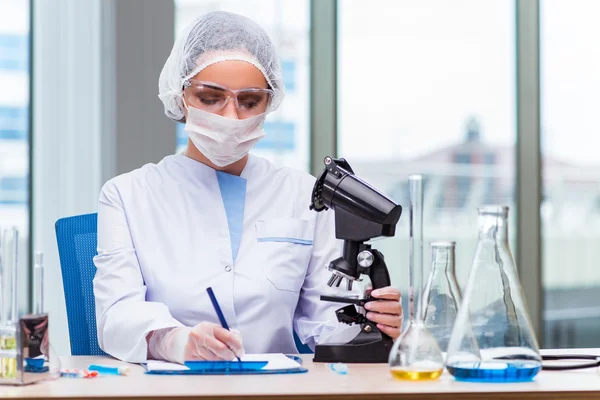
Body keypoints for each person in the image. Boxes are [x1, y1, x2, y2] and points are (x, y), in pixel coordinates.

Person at [92, 10, 403, 365]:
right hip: (172, 385)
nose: (231, 116)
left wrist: (372, 326)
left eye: (249, 101)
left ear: (269, 103)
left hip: (278, 387)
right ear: (180, 97)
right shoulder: (128, 195)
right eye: (210, 98)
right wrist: (177, 342)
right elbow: (117, 314)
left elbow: (327, 323)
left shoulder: (306, 196)